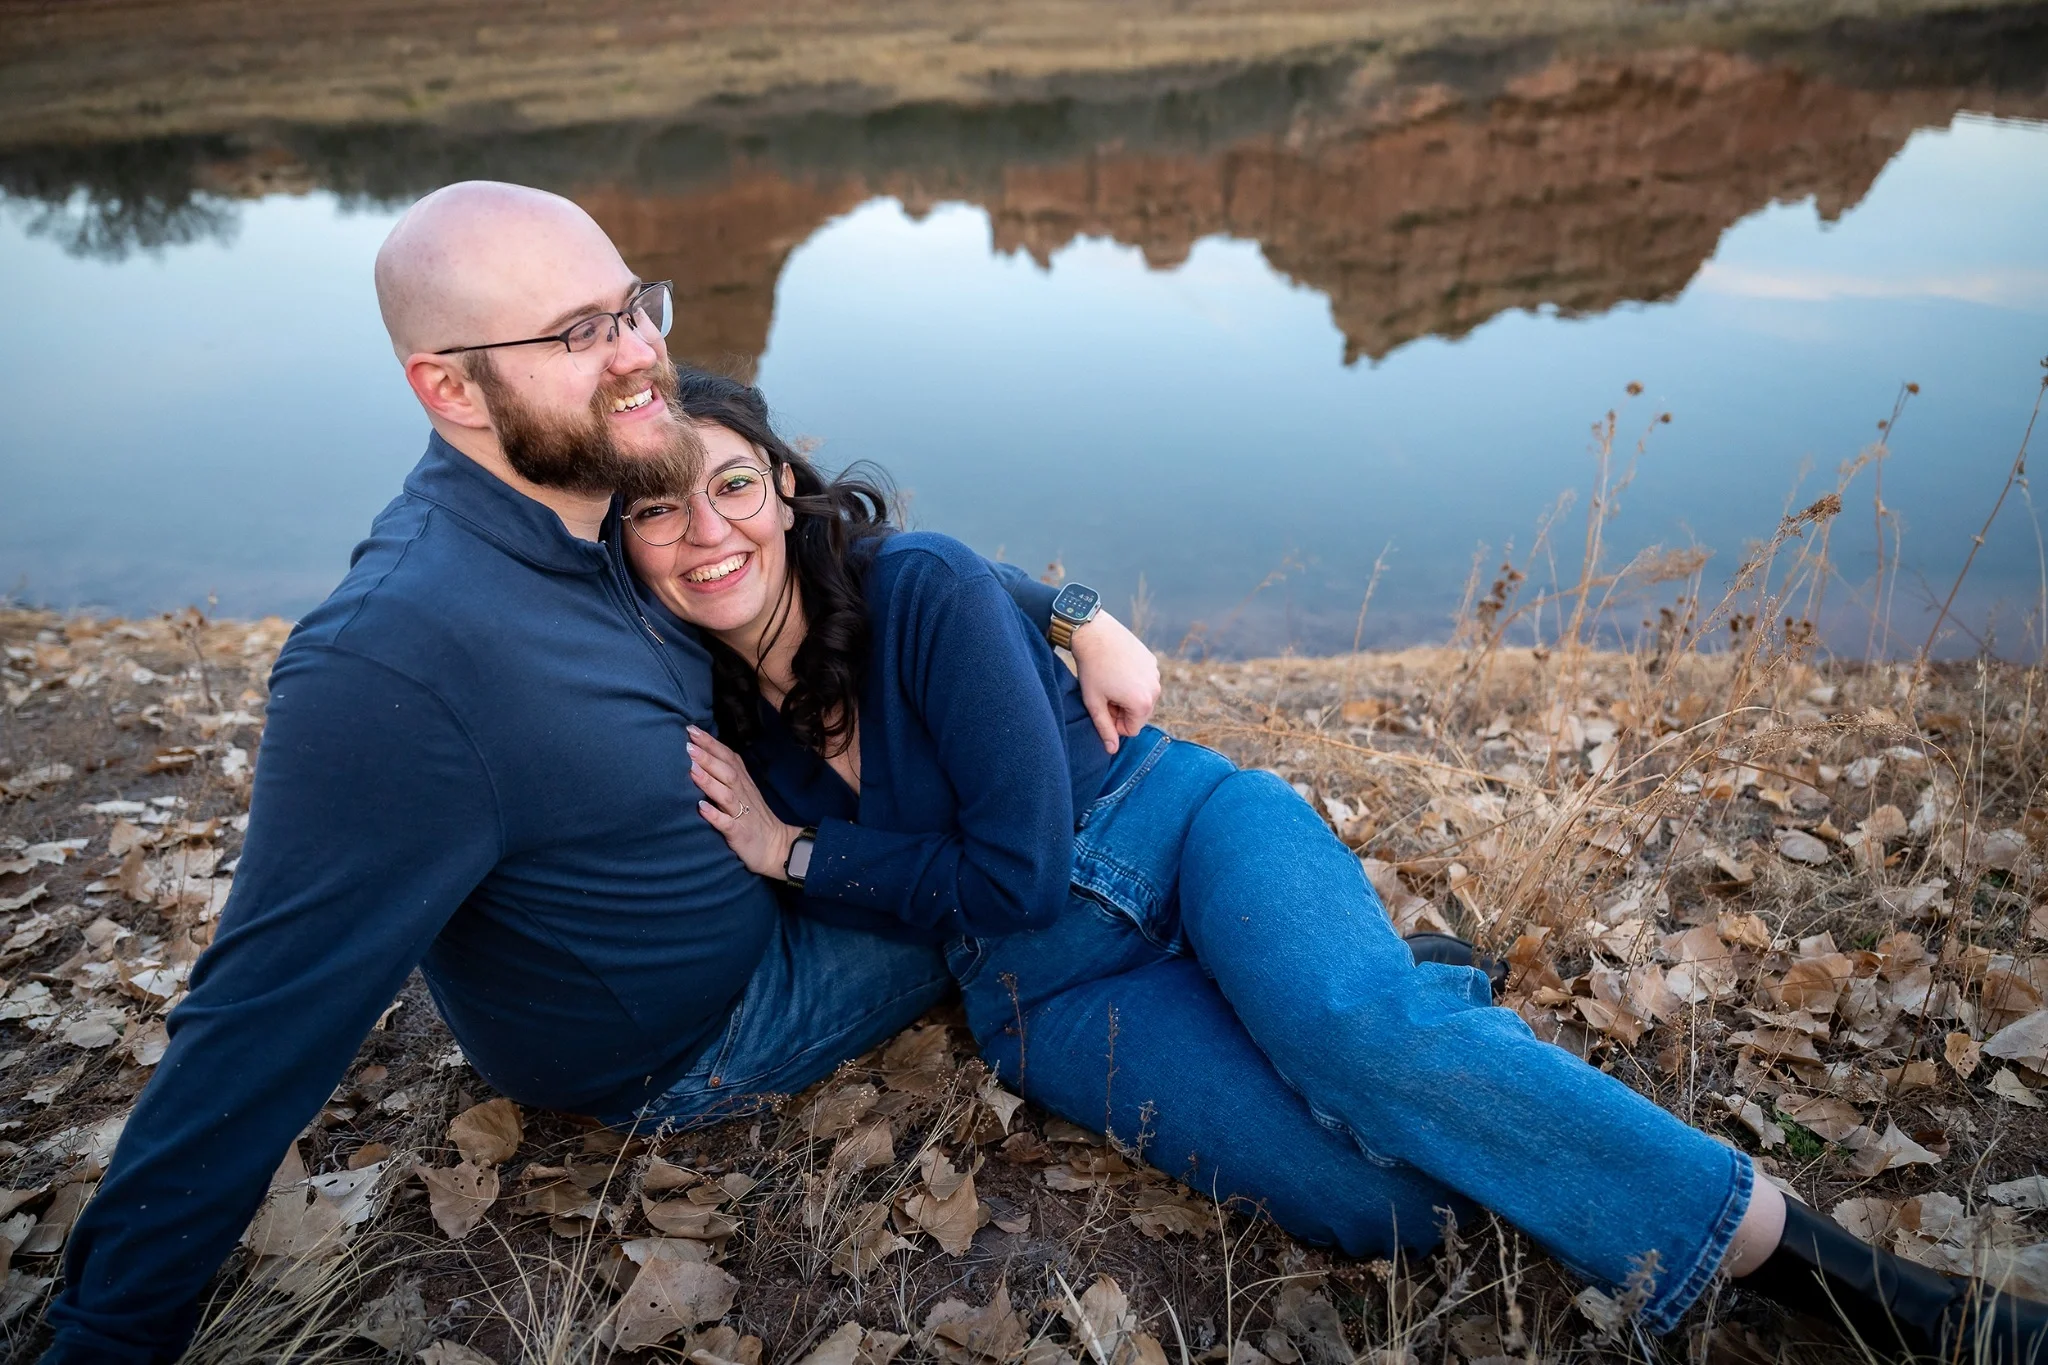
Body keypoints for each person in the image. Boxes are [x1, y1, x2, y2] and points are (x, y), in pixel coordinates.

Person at [629, 370, 2048, 1364]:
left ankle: (1841, 1277)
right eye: (661, 512)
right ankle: (1409, 1000)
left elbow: (1007, 864)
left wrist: (799, 847)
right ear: (625, 549)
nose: (710, 535)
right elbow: (1004, 910)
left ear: (788, 486)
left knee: (1348, 1032)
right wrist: (1059, 614)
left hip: (1184, 828)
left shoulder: (922, 586)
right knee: (1384, 1205)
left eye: (734, 485)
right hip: (1051, 994)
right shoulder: (720, 715)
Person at [36, 182, 1164, 1363]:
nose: (639, 359)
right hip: (706, 1036)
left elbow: (837, 540)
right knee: (1028, 866)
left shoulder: (597, 499)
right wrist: (106, 1338)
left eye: (634, 309)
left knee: (975, 774)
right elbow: (257, 1017)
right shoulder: (400, 659)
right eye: (578, 334)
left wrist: (1068, 616)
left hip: (768, 900)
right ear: (448, 388)